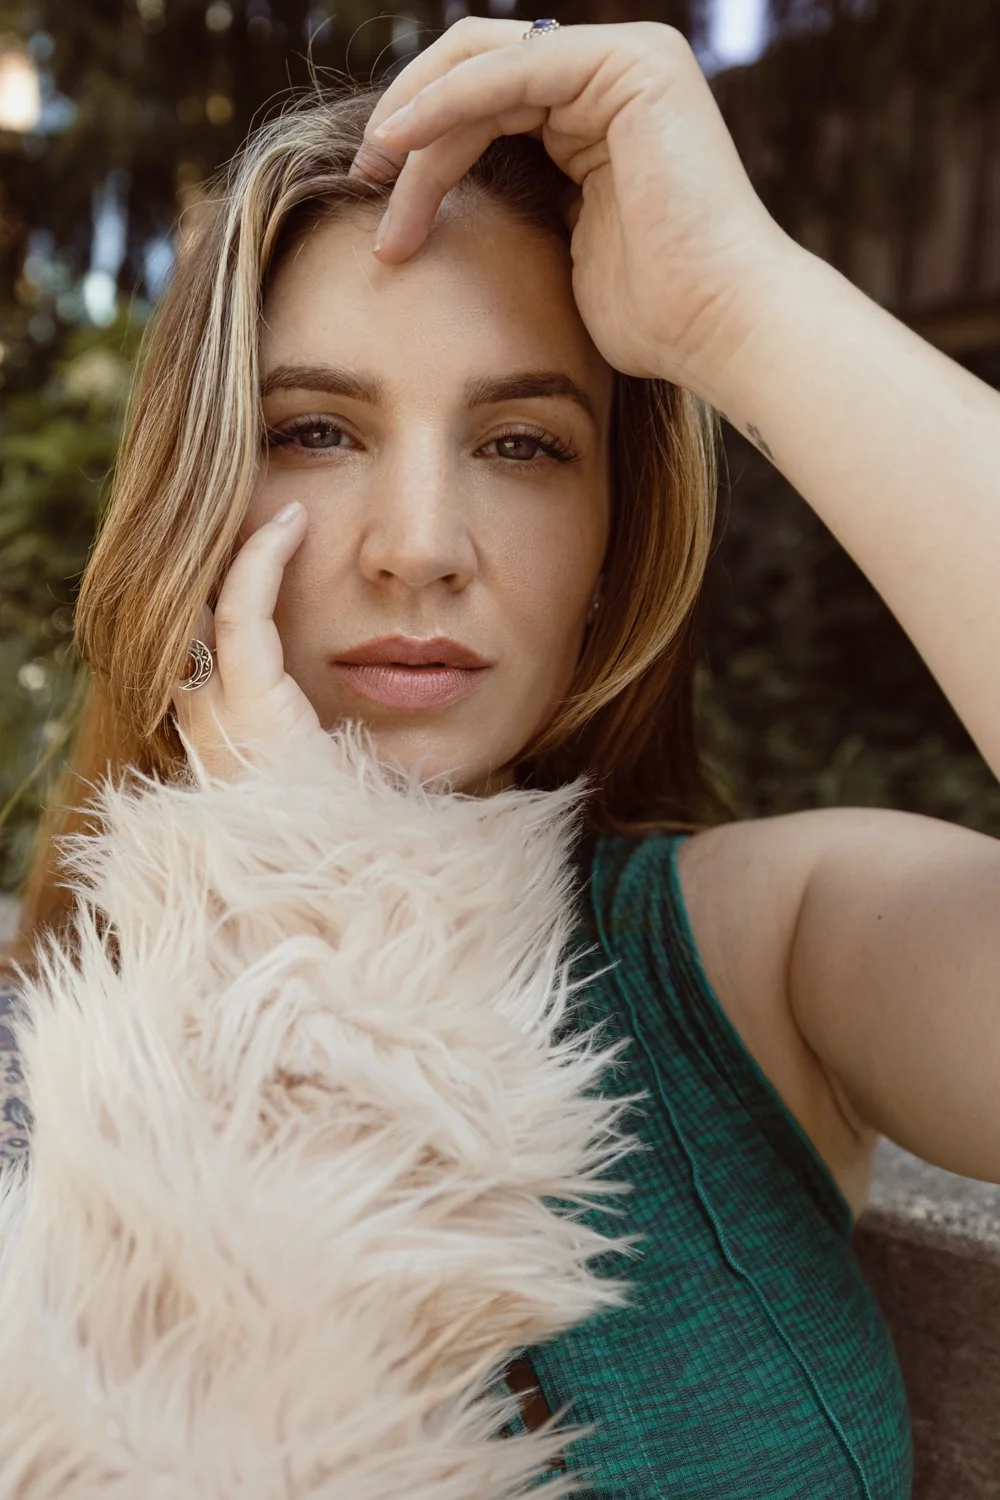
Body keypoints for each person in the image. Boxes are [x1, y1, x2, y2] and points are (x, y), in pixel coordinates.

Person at [3, 14, 1000, 1497]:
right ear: (195, 498)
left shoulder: (757, 956)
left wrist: (740, 307)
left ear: (610, 541)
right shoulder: (50, 1082)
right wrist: (297, 892)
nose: (420, 547)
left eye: (523, 444)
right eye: (316, 430)